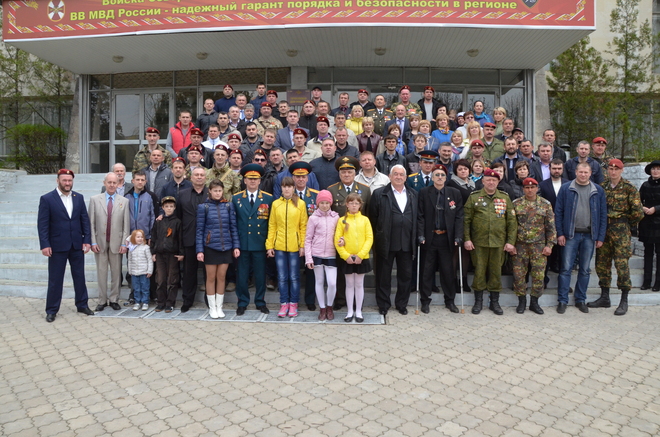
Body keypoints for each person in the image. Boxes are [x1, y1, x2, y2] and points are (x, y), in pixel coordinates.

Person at [38, 169, 94, 322]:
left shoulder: (78, 197)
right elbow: (42, 225)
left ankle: (82, 305)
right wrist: (45, 244)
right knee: (55, 279)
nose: (67, 183)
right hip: (57, 246)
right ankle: (52, 310)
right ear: (58, 181)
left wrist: (86, 240)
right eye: (64, 180)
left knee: (79, 277)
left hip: (76, 245)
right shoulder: (47, 199)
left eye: (70, 180)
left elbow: (84, 220)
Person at [589, 159, 643, 316]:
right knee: (602, 264)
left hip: (621, 231)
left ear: (622, 170)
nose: (613, 172)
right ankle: (604, 297)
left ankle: (624, 300)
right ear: (607, 170)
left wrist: (625, 223)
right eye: (611, 169)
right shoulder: (601, 187)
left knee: (621, 265)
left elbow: (638, 212)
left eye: (616, 169)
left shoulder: (629, 188)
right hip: (604, 230)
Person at [555, 162, 607, 314]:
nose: (583, 175)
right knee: (566, 269)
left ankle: (580, 299)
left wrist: (600, 237)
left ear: (590, 173)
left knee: (584, 270)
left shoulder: (598, 190)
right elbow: (558, 212)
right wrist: (560, 233)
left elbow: (603, 215)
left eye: (586, 172)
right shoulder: (566, 188)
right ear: (576, 172)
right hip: (570, 235)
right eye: (581, 172)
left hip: (589, 236)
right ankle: (562, 300)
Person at [463, 169, 517, 315]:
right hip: (478, 242)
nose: (491, 182)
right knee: (479, 271)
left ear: (498, 182)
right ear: (483, 181)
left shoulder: (504, 198)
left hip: (498, 242)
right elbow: (466, 220)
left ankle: (494, 302)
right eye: (488, 180)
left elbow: (512, 222)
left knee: (496, 272)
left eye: (494, 180)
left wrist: (510, 242)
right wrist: (467, 239)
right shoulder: (474, 197)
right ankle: (478, 301)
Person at [369, 165, 418, 316]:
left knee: (405, 276)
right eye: (395, 174)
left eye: (401, 174)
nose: (398, 177)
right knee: (383, 276)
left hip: (407, 242)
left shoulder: (413, 194)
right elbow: (373, 218)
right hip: (386, 242)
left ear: (405, 177)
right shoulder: (379, 194)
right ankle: (383, 304)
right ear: (389, 177)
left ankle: (401, 304)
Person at [418, 164, 464, 314]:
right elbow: (420, 216)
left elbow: (459, 217)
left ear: (446, 177)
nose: (439, 177)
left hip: (447, 238)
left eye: (442, 175)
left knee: (448, 271)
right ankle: (425, 301)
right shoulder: (424, 192)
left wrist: (458, 235)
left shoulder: (454, 193)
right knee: (426, 271)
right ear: (432, 178)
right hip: (430, 238)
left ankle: (450, 300)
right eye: (436, 175)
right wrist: (420, 234)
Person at [511, 178, 557, 315]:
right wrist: (511, 244)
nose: (530, 190)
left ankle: (534, 302)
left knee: (538, 275)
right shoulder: (516, 204)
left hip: (539, 246)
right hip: (520, 245)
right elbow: (511, 226)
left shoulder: (545, 204)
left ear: (537, 188)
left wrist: (550, 245)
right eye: (527, 188)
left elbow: (551, 227)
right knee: (519, 275)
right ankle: (521, 301)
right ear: (523, 189)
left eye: (532, 187)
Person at [232, 164, 273, 315]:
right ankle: (242, 302)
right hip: (243, 243)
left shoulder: (268, 198)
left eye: (255, 179)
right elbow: (233, 223)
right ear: (244, 180)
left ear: (260, 181)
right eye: (250, 179)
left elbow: (271, 223)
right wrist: (235, 244)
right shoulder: (236, 198)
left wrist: (269, 244)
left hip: (260, 243)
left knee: (260, 276)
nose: (252, 181)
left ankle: (260, 302)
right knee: (242, 275)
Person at [196, 180, 240, 319]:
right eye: (215, 190)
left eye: (219, 190)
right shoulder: (203, 207)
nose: (217, 193)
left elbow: (233, 227)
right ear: (210, 191)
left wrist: (236, 246)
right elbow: (199, 230)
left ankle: (219, 307)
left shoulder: (228, 206)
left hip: (225, 246)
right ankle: (212, 307)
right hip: (210, 247)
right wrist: (199, 250)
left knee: (222, 277)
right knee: (211, 277)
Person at [266, 177, 308, 318]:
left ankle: (293, 303)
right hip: (279, 246)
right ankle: (284, 303)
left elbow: (303, 226)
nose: (287, 189)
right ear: (281, 188)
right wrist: (269, 245)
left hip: (294, 246)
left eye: (289, 186)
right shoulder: (276, 204)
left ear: (293, 188)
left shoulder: (300, 204)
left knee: (294, 277)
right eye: (284, 186)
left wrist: (302, 245)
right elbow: (272, 225)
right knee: (282, 277)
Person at [89, 172, 131, 312]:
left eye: (114, 182)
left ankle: (114, 299)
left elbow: (126, 225)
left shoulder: (124, 201)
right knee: (101, 273)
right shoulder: (95, 200)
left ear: (118, 184)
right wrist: (93, 242)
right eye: (109, 182)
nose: (112, 185)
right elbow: (91, 223)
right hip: (100, 242)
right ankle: (102, 300)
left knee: (116, 273)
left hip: (117, 243)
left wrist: (124, 243)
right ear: (104, 183)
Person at [335, 193, 373, 323]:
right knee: (349, 284)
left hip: (361, 257)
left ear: (360, 205)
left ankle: (359, 311)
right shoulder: (342, 220)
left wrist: (361, 255)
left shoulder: (365, 220)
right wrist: (345, 256)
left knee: (359, 284)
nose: (354, 206)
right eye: (351, 203)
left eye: (356, 203)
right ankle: (350, 311)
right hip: (348, 258)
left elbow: (369, 238)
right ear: (347, 204)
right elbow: (337, 240)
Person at [305, 190, 340, 321]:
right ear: (318, 204)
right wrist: (308, 258)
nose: (324, 205)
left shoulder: (336, 217)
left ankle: (330, 306)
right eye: (322, 203)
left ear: (330, 203)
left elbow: (340, 234)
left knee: (332, 283)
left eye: (327, 203)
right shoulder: (313, 218)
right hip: (317, 254)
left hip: (331, 254)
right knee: (319, 282)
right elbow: (308, 239)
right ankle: (322, 308)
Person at [151, 196, 184, 313]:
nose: (169, 208)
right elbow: (154, 237)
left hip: (173, 254)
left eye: (171, 206)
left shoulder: (177, 222)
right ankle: (161, 302)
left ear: (174, 208)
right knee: (160, 279)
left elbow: (180, 239)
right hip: (160, 254)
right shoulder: (158, 222)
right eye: (166, 206)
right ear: (163, 208)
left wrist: (181, 253)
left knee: (172, 279)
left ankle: (170, 303)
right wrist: (153, 252)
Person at [639, 160, 660, 292]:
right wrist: (643, 207)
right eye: (653, 169)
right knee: (647, 253)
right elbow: (637, 200)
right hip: (647, 223)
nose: (655, 171)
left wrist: (656, 209)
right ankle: (646, 281)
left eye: (658, 169)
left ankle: (658, 282)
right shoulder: (645, 185)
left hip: (659, 223)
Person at [127, 229, 153, 311]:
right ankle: (137, 302)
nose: (140, 239)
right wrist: (130, 270)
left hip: (144, 272)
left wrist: (149, 271)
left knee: (145, 288)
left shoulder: (146, 248)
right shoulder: (131, 248)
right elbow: (130, 260)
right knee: (136, 288)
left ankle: (145, 302)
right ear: (133, 238)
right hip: (134, 272)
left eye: (141, 237)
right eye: (138, 237)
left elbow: (149, 260)